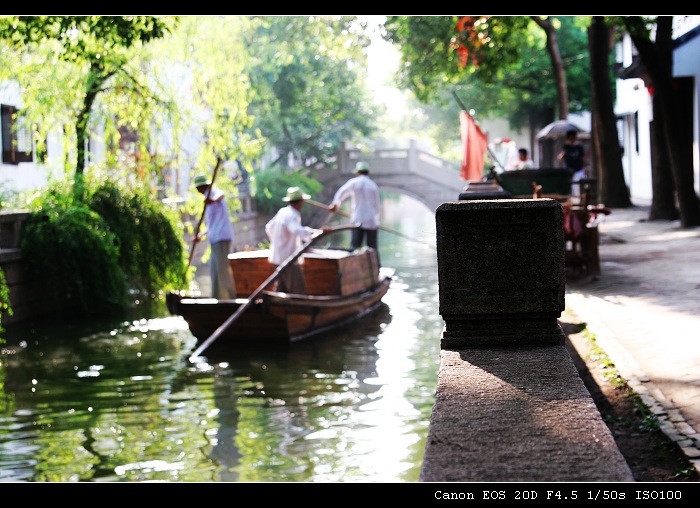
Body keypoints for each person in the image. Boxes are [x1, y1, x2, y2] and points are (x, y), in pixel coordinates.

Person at [265, 187, 325, 294]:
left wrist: (278, 243)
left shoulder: (283, 212)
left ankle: (276, 308)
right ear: (300, 202)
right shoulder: (293, 215)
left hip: (277, 257)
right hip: (289, 260)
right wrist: (317, 232)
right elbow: (297, 230)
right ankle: (299, 310)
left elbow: (269, 228)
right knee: (298, 291)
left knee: (281, 288)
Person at [193, 174, 237, 300]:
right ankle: (217, 297)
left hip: (222, 236)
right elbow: (211, 224)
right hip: (215, 237)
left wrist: (212, 200)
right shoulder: (207, 198)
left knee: (222, 269)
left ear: (201, 187)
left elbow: (220, 196)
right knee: (214, 269)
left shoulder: (213, 193)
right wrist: (200, 235)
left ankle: (230, 298)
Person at [328, 161, 381, 266]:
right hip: (371, 221)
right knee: (373, 249)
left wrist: (335, 204)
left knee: (355, 248)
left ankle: (352, 269)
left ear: (358, 172)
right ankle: (376, 269)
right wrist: (375, 219)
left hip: (357, 220)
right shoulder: (373, 185)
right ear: (368, 173)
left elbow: (342, 192)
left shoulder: (354, 182)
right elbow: (376, 207)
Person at [558, 129, 587, 195]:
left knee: (577, 186)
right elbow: (560, 158)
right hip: (569, 171)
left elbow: (583, 158)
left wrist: (585, 168)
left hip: (578, 169)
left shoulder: (579, 147)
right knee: (570, 187)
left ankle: (578, 201)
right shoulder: (566, 147)